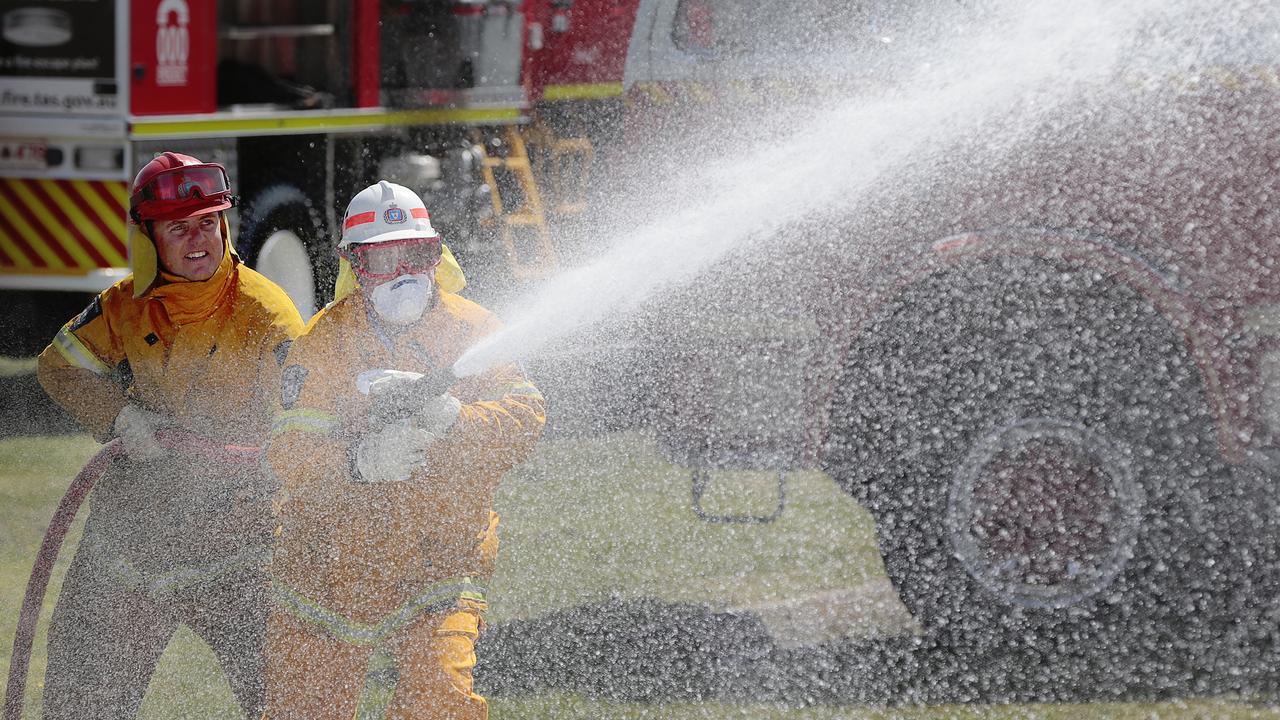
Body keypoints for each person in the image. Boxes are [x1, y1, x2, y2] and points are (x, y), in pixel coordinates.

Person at [262, 180, 545, 720]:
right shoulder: (322, 344)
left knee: (441, 702)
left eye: (416, 255)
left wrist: (454, 417)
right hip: (327, 564)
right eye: (383, 260)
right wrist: (360, 464)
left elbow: (526, 419)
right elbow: (290, 451)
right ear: (355, 266)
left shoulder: (476, 331)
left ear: (437, 255)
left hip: (439, 560)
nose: (403, 275)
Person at [36, 152, 305, 718]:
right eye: (178, 228)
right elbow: (57, 367)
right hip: (131, 538)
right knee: (80, 703)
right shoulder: (123, 307)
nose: (198, 239)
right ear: (148, 239)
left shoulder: (266, 314)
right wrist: (119, 417)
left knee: (284, 699)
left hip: (242, 541)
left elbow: (303, 420)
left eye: (208, 222)